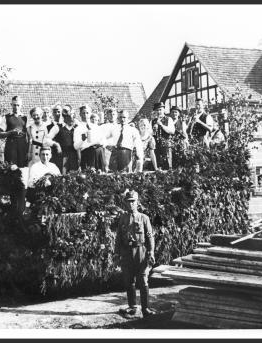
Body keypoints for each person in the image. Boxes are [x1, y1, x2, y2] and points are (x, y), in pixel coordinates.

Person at [115, 190, 156, 319]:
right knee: (129, 281)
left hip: (141, 252)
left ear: (137, 202)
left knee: (143, 281)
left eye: (133, 201)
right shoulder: (123, 219)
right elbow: (118, 238)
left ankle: (146, 308)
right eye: (128, 202)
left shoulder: (144, 218)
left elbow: (150, 237)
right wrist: (117, 254)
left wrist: (151, 252)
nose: (130, 204)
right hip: (127, 253)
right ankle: (132, 307)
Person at [74, 105, 106, 171]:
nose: (85, 115)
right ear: (80, 114)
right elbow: (76, 146)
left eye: (87, 113)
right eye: (83, 113)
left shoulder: (96, 127)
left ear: (90, 113)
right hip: (87, 153)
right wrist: (83, 139)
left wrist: (100, 143)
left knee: (101, 177)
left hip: (98, 152)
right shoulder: (78, 129)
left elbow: (104, 141)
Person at [0, 96, 28, 168]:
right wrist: (11, 132)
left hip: (22, 146)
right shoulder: (6, 117)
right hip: (11, 146)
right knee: (10, 168)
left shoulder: (25, 118)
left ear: (21, 105)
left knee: (22, 168)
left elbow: (29, 134)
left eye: (18, 105)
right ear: (11, 105)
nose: (16, 107)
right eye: (14, 105)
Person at [52, 105, 79, 173]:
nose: (71, 118)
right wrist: (56, 144)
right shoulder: (58, 127)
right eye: (66, 115)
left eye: (73, 116)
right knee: (62, 177)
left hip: (74, 157)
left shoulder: (77, 127)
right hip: (62, 157)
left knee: (73, 177)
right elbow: (47, 139)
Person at [151, 102, 175, 170]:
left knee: (167, 165)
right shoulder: (153, 121)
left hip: (166, 145)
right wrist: (153, 130)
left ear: (164, 110)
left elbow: (172, 131)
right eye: (157, 110)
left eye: (160, 109)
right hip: (156, 146)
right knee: (158, 166)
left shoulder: (169, 119)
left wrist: (161, 125)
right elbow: (150, 134)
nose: (159, 112)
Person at [45, 104, 64, 171]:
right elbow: (46, 140)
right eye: (55, 112)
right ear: (52, 113)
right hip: (53, 153)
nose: (57, 114)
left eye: (58, 111)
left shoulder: (64, 126)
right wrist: (55, 144)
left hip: (64, 152)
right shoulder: (48, 127)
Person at [100, 108, 119, 172]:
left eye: (114, 114)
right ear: (107, 116)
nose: (112, 116)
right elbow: (102, 138)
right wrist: (106, 145)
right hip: (107, 150)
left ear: (117, 115)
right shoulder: (103, 126)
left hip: (117, 150)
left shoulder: (119, 126)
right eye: (110, 114)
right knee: (107, 168)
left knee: (117, 169)